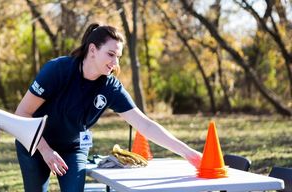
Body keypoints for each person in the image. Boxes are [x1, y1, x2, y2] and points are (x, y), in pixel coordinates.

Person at [14, 23, 202, 191]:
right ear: (93, 50)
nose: (115, 63)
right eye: (111, 54)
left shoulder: (110, 87)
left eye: (118, 57)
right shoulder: (57, 70)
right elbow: (22, 113)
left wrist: (188, 153)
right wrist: (46, 150)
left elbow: (144, 125)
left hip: (72, 148)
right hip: (34, 142)